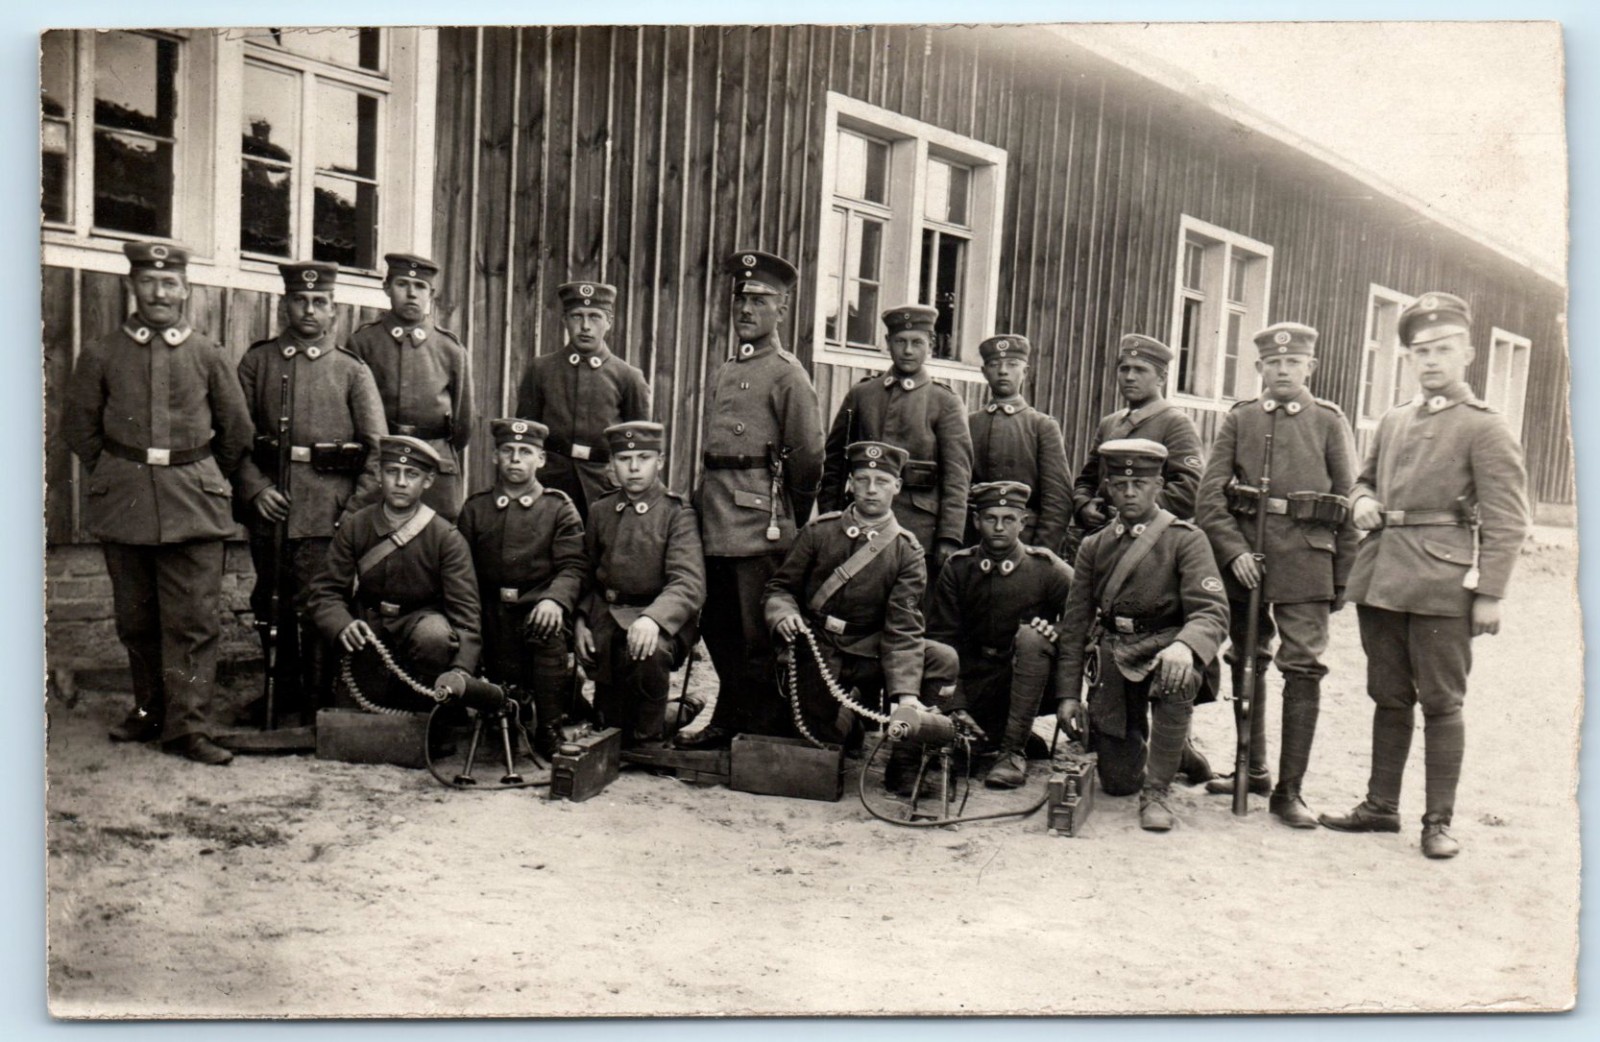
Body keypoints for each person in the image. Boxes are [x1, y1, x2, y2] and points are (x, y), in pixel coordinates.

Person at [1319, 292, 1529, 859]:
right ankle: (1380, 807)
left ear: (1467, 354)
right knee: (1388, 695)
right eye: (1420, 351)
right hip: (1382, 577)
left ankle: (1437, 822)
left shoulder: (1486, 426)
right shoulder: (1393, 419)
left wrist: (1491, 593)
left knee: (1441, 701)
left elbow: (1508, 519)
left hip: (1442, 585)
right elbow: (1362, 480)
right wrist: (1363, 501)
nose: (1430, 360)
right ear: (1408, 357)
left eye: (1443, 349)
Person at [61, 241, 254, 765]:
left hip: (195, 504)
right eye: (148, 281)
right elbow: (79, 428)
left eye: (170, 283)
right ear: (132, 286)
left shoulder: (208, 354)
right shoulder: (101, 354)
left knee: (193, 622)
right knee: (137, 620)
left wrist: (200, 474)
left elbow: (236, 431)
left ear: (186, 289)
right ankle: (149, 711)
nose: (159, 292)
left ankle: (188, 728)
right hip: (125, 503)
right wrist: (117, 473)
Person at [1194, 321, 1359, 828]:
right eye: (1273, 362)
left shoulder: (1329, 421)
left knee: (1302, 666)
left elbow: (1349, 503)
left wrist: (1343, 578)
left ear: (1310, 367)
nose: (1283, 370)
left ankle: (1290, 791)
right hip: (1248, 559)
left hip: (1308, 558)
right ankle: (1254, 768)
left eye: (1293, 362)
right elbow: (1209, 497)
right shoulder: (1241, 418)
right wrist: (1233, 552)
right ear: (1259, 367)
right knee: (1246, 657)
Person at [679, 250, 824, 750]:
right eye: (741, 298)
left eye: (760, 300)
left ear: (781, 309)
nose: (746, 309)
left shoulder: (788, 374)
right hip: (714, 515)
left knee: (756, 635)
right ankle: (730, 717)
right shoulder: (726, 369)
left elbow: (808, 456)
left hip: (758, 523)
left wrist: (789, 515)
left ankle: (760, 732)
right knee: (718, 626)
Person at [235, 261, 388, 720]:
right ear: (284, 304)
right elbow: (233, 439)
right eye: (300, 300)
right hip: (272, 507)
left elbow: (378, 450)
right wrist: (255, 490)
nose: (309, 309)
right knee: (269, 600)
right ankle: (279, 693)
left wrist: (353, 509)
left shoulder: (351, 370)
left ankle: (318, 703)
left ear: (333, 310)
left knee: (319, 604)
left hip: (327, 511)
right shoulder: (257, 362)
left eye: (320, 302)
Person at [1053, 439, 1229, 831]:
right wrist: (1067, 695)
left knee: (1176, 676)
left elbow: (1212, 610)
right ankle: (1177, 752)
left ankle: (1158, 792)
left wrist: (1185, 646)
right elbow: (1076, 624)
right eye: (1120, 485)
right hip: (1116, 653)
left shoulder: (1185, 538)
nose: (1129, 493)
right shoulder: (1094, 545)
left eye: (1140, 484)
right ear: (1108, 489)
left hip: (1167, 647)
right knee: (1118, 782)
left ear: (1158, 486)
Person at [765, 442, 959, 787]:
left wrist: (906, 696)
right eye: (863, 480)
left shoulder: (907, 550)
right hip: (819, 645)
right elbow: (780, 588)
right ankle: (850, 722)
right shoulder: (819, 532)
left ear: (897, 486)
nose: (871, 489)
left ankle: (905, 762)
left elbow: (903, 626)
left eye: (882, 481)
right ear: (850, 483)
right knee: (819, 744)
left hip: (874, 649)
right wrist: (783, 613)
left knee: (941, 659)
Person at [306, 436, 482, 710]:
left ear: (428, 480)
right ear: (379, 474)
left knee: (434, 637)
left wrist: (460, 671)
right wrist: (342, 624)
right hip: (367, 629)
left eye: (411, 474)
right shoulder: (356, 526)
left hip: (421, 626)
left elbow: (466, 615)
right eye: (392, 471)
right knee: (353, 719)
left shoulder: (445, 537)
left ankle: (429, 709)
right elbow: (324, 591)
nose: (400, 482)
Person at [928, 481, 1073, 789]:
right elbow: (942, 637)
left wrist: (1055, 631)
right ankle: (998, 734)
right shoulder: (959, 567)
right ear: (975, 520)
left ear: (1023, 522)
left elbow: (1084, 617)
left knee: (1032, 637)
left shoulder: (1046, 567)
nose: (998, 527)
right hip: (975, 678)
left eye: (1008, 519)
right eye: (990, 518)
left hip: (1027, 679)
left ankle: (1012, 752)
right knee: (956, 748)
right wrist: (955, 704)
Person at [456, 419, 586, 758]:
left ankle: (549, 729)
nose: (515, 459)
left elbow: (573, 567)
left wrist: (555, 601)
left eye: (525, 452)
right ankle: (488, 713)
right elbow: (460, 572)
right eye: (508, 451)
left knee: (548, 630)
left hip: (536, 612)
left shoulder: (558, 508)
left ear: (540, 459)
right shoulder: (476, 508)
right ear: (495, 456)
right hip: (488, 614)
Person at [818, 304, 973, 583]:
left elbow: (957, 476)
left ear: (931, 345)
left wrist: (949, 536)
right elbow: (835, 465)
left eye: (917, 342)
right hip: (860, 524)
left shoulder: (945, 402)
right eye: (900, 341)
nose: (908, 350)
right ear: (888, 342)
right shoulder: (862, 394)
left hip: (919, 529)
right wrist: (831, 519)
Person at [575, 422, 706, 748]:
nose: (633, 468)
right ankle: (671, 713)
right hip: (607, 621)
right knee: (611, 727)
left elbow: (688, 582)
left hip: (658, 624)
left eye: (644, 458)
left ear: (659, 461)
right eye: (624, 459)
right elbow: (586, 574)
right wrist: (580, 620)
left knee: (638, 732)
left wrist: (653, 619)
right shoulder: (601, 510)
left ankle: (654, 735)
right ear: (612, 464)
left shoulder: (677, 513)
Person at [348, 253, 473, 521]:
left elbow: (463, 424)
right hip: (382, 462)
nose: (412, 293)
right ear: (386, 288)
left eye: (420, 286)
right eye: (402, 284)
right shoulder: (364, 343)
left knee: (437, 536)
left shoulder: (450, 349)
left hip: (434, 464)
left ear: (431, 294)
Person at [513, 281, 651, 520]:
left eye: (595, 317)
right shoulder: (541, 370)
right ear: (564, 320)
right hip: (550, 482)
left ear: (609, 322)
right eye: (577, 316)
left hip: (604, 486)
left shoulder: (628, 377)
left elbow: (639, 444)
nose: (585, 326)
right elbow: (526, 434)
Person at [1071, 334, 1204, 534]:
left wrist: (1128, 510)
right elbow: (1087, 479)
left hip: (1152, 538)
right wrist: (1084, 505)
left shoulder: (1176, 423)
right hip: (1105, 536)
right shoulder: (1110, 423)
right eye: (1124, 369)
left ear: (1161, 378)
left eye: (1140, 370)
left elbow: (1189, 492)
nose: (1130, 377)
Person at [965, 334, 1073, 551]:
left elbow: (1058, 499)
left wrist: (1041, 551)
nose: (1003, 371)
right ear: (984, 372)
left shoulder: (1042, 426)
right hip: (975, 541)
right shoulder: (968, 424)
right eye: (994, 365)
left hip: (1026, 541)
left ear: (1025, 372)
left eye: (1012, 364)